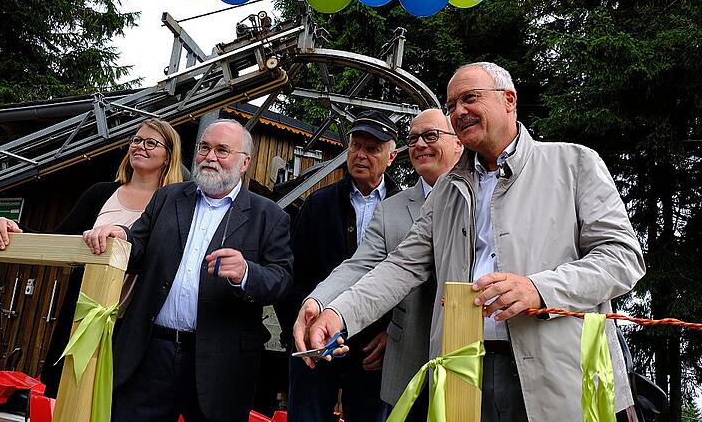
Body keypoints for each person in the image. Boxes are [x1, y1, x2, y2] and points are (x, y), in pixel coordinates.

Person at [305, 62, 645, 422]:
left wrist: (538, 288)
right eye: (451, 105)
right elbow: (399, 266)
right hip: (462, 373)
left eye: (470, 98)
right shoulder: (446, 191)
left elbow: (622, 258)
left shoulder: (574, 163)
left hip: (559, 374)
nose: (458, 112)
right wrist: (339, 313)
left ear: (509, 100)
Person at [83, 118, 293, 422]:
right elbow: (139, 242)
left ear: (244, 162)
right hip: (150, 353)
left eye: (222, 150)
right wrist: (122, 236)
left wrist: (247, 272)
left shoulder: (268, 215)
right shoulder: (168, 197)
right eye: (204, 148)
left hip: (220, 364)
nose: (209, 157)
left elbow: (282, 280)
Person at [0, 118, 184, 396]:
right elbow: (60, 240)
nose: (140, 147)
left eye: (151, 143)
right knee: (64, 395)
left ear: (168, 157)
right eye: (136, 140)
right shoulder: (101, 193)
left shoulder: (174, 206)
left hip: (133, 324)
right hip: (81, 313)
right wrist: (15, 230)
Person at [292, 108, 463, 421]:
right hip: (403, 366)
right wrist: (319, 303)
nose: (421, 144)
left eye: (431, 136)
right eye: (415, 138)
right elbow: (361, 267)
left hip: (465, 360)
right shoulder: (390, 210)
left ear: (459, 144)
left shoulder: (483, 197)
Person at [276, 110, 401, 422]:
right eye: (355, 146)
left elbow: (415, 279)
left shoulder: (406, 208)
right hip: (317, 347)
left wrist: (393, 334)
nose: (360, 155)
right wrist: (305, 331)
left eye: (372, 149)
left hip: (376, 351)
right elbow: (294, 273)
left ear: (392, 156)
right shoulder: (318, 204)